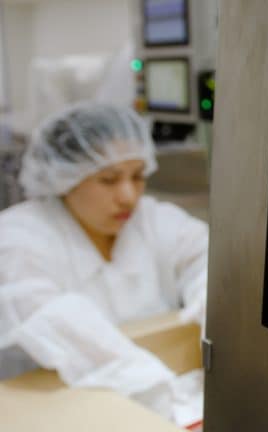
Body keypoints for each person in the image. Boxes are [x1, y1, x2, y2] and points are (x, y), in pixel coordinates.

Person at [0, 102, 207, 418]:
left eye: (138, 176)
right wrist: (161, 398)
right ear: (65, 178)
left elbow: (210, 263)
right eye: (109, 179)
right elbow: (52, 320)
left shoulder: (152, 220)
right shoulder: (17, 237)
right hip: (54, 410)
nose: (128, 196)